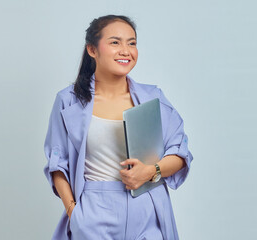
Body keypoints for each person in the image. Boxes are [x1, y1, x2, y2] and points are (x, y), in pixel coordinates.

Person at [43, 15, 193, 240]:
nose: (126, 50)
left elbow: (180, 153)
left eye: (132, 43)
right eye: (115, 42)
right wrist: (74, 212)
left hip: (148, 207)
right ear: (92, 50)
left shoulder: (153, 98)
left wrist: (151, 171)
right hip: (94, 209)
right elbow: (57, 165)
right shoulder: (68, 101)